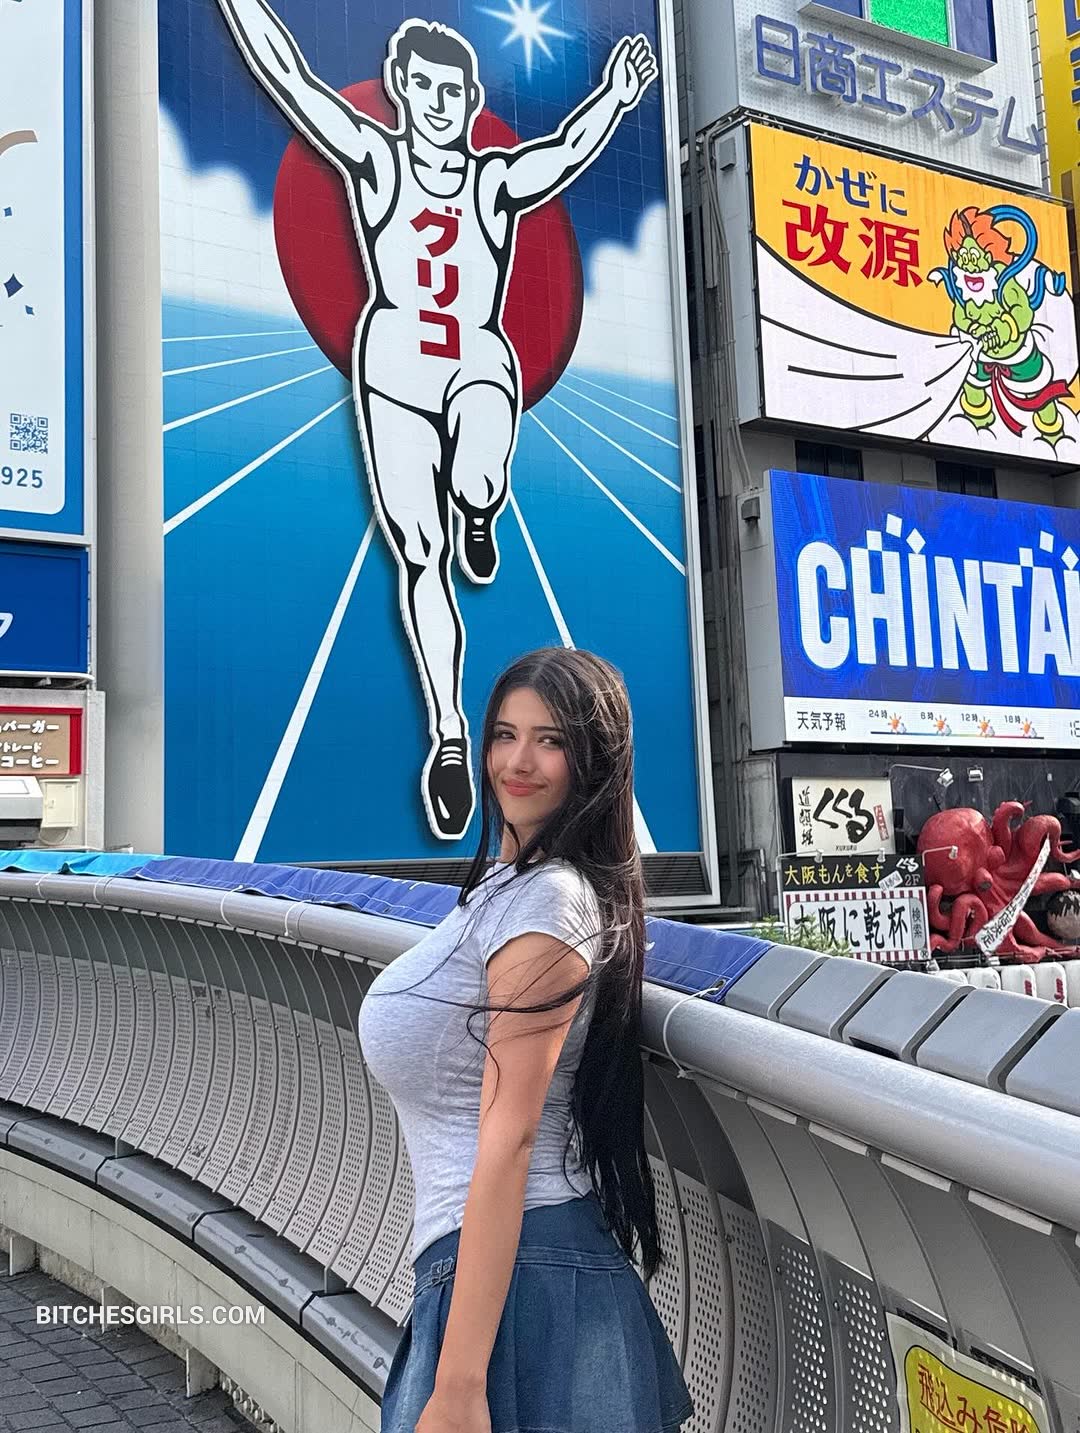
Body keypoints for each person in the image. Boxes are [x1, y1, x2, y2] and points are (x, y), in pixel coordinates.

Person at [215, 1, 658, 841]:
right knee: (421, 554)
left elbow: (564, 152)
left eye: (453, 90)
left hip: (476, 360)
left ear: (468, 97)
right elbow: (290, 79)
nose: (440, 102)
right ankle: (450, 735)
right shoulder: (376, 162)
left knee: (479, 474)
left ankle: (480, 507)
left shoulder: (491, 183)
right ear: (403, 89)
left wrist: (614, 95)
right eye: (425, 87)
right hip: (393, 369)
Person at [358, 647, 692, 1432]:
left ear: (594, 761)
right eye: (505, 735)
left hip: (526, 1284)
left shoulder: (550, 902)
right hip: (503, 1271)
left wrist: (458, 1384)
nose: (518, 761)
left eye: (550, 741)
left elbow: (510, 1137)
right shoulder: (507, 890)